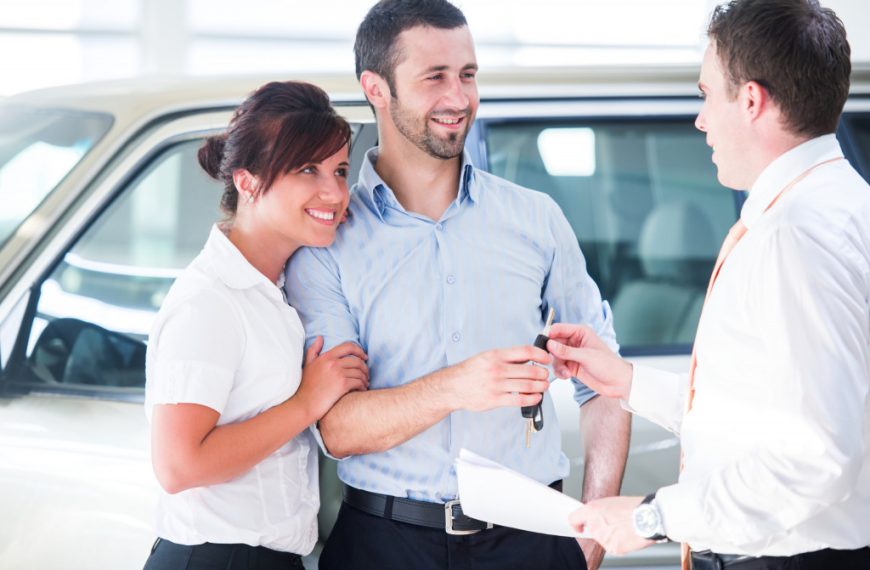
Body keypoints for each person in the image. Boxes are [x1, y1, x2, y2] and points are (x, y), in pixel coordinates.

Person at [284, 1, 630, 569]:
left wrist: (590, 537)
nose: (458, 97)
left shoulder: (535, 219)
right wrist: (456, 386)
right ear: (377, 88)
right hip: (383, 544)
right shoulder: (326, 240)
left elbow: (606, 382)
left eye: (467, 75)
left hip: (533, 541)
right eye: (434, 77)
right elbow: (337, 428)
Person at [545, 1, 870, 568]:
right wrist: (626, 382)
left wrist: (652, 517)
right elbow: (761, 414)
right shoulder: (839, 207)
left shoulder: (793, 235)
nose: (700, 119)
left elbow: (816, 455)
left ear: (750, 100)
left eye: (705, 94)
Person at [142, 81, 370, 570]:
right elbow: (179, 466)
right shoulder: (210, 300)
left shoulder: (281, 289)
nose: (334, 192)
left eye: (340, 170)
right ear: (247, 182)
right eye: (308, 169)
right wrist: (308, 402)